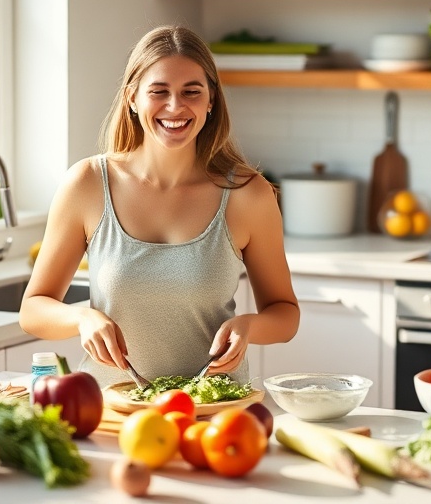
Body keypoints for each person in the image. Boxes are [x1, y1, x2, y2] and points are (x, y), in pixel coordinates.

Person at [19, 25, 300, 388]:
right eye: (159, 91)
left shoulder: (249, 195)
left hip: (213, 412)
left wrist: (249, 326)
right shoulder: (88, 184)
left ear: (211, 101)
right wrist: (83, 319)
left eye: (191, 92)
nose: (175, 107)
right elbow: (33, 308)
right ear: (132, 98)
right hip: (111, 406)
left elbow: (285, 314)